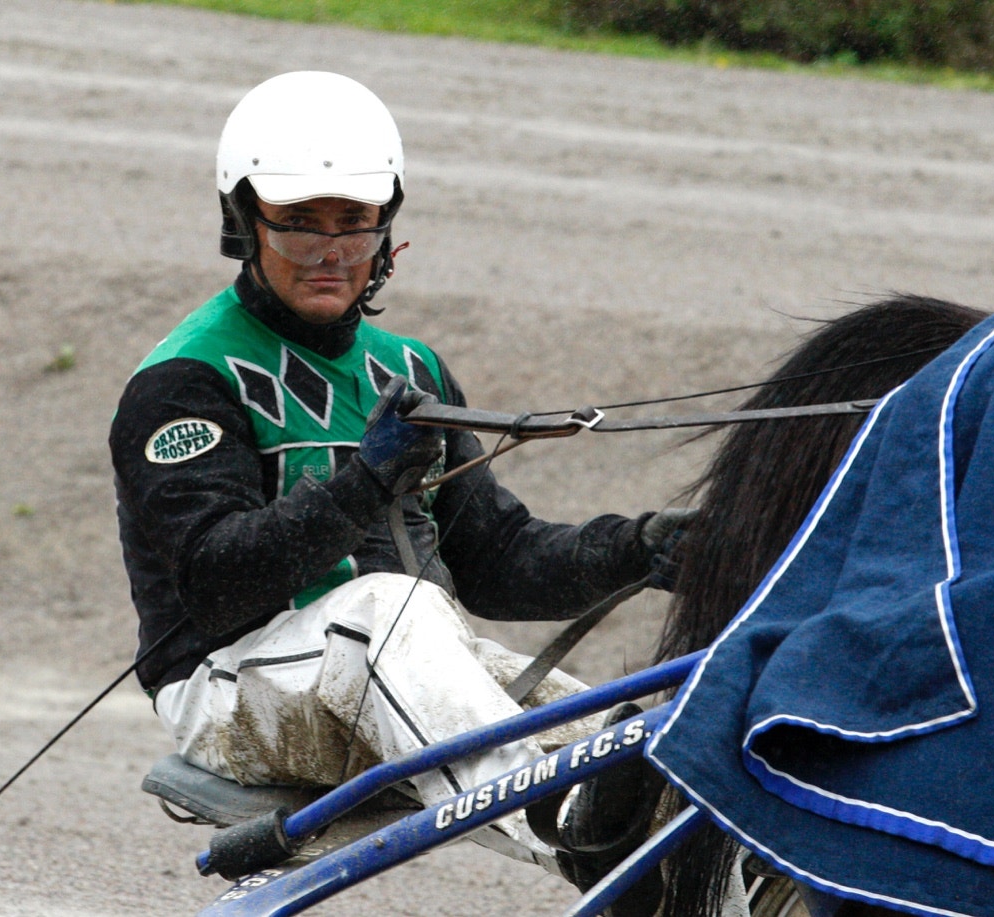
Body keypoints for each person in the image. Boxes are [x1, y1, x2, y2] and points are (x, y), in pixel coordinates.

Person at [108, 70, 691, 880]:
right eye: (298, 224)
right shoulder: (186, 380)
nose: (330, 251)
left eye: (353, 223)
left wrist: (639, 549)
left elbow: (496, 560)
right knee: (391, 606)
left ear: (387, 228)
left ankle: (639, 860)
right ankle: (560, 821)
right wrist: (362, 485)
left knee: (634, 759)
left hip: (396, 663)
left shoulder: (410, 368)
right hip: (230, 692)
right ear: (243, 222)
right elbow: (215, 584)